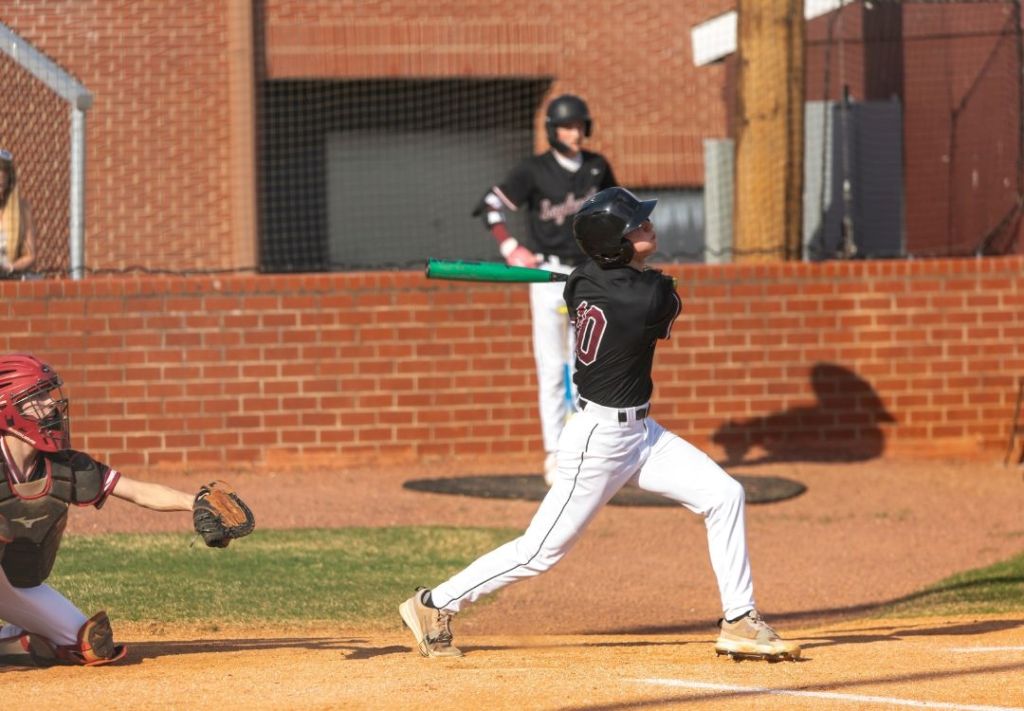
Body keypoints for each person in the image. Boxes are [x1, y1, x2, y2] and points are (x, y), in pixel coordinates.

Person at [400, 187, 800, 662]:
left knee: (724, 494)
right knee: (539, 552)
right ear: (614, 244)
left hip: (643, 436)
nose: (648, 226)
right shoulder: (646, 298)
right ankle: (434, 603)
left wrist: (605, 270)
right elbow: (663, 295)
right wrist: (632, 275)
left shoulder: (582, 282)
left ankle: (739, 619)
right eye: (636, 225)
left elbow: (609, 279)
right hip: (599, 441)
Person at [0, 354, 249, 666]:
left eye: (48, 394)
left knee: (89, 645)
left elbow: (137, 491)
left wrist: (194, 502)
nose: (50, 404)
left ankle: (13, 641)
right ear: (7, 409)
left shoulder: (64, 466)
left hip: (15, 584)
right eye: (36, 397)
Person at [473, 94, 617, 484]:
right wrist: (510, 247)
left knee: (589, 364)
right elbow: (490, 205)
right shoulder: (534, 170)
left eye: (579, 126)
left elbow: (616, 212)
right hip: (548, 274)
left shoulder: (597, 166)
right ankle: (555, 451)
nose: (575, 133)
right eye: (567, 127)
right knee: (553, 366)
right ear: (553, 131)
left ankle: (586, 449)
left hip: (590, 273)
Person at [0, 150, 38, 279]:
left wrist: (11, 268)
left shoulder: (22, 209)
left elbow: (30, 255)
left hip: (10, 277)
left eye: (1, 186)